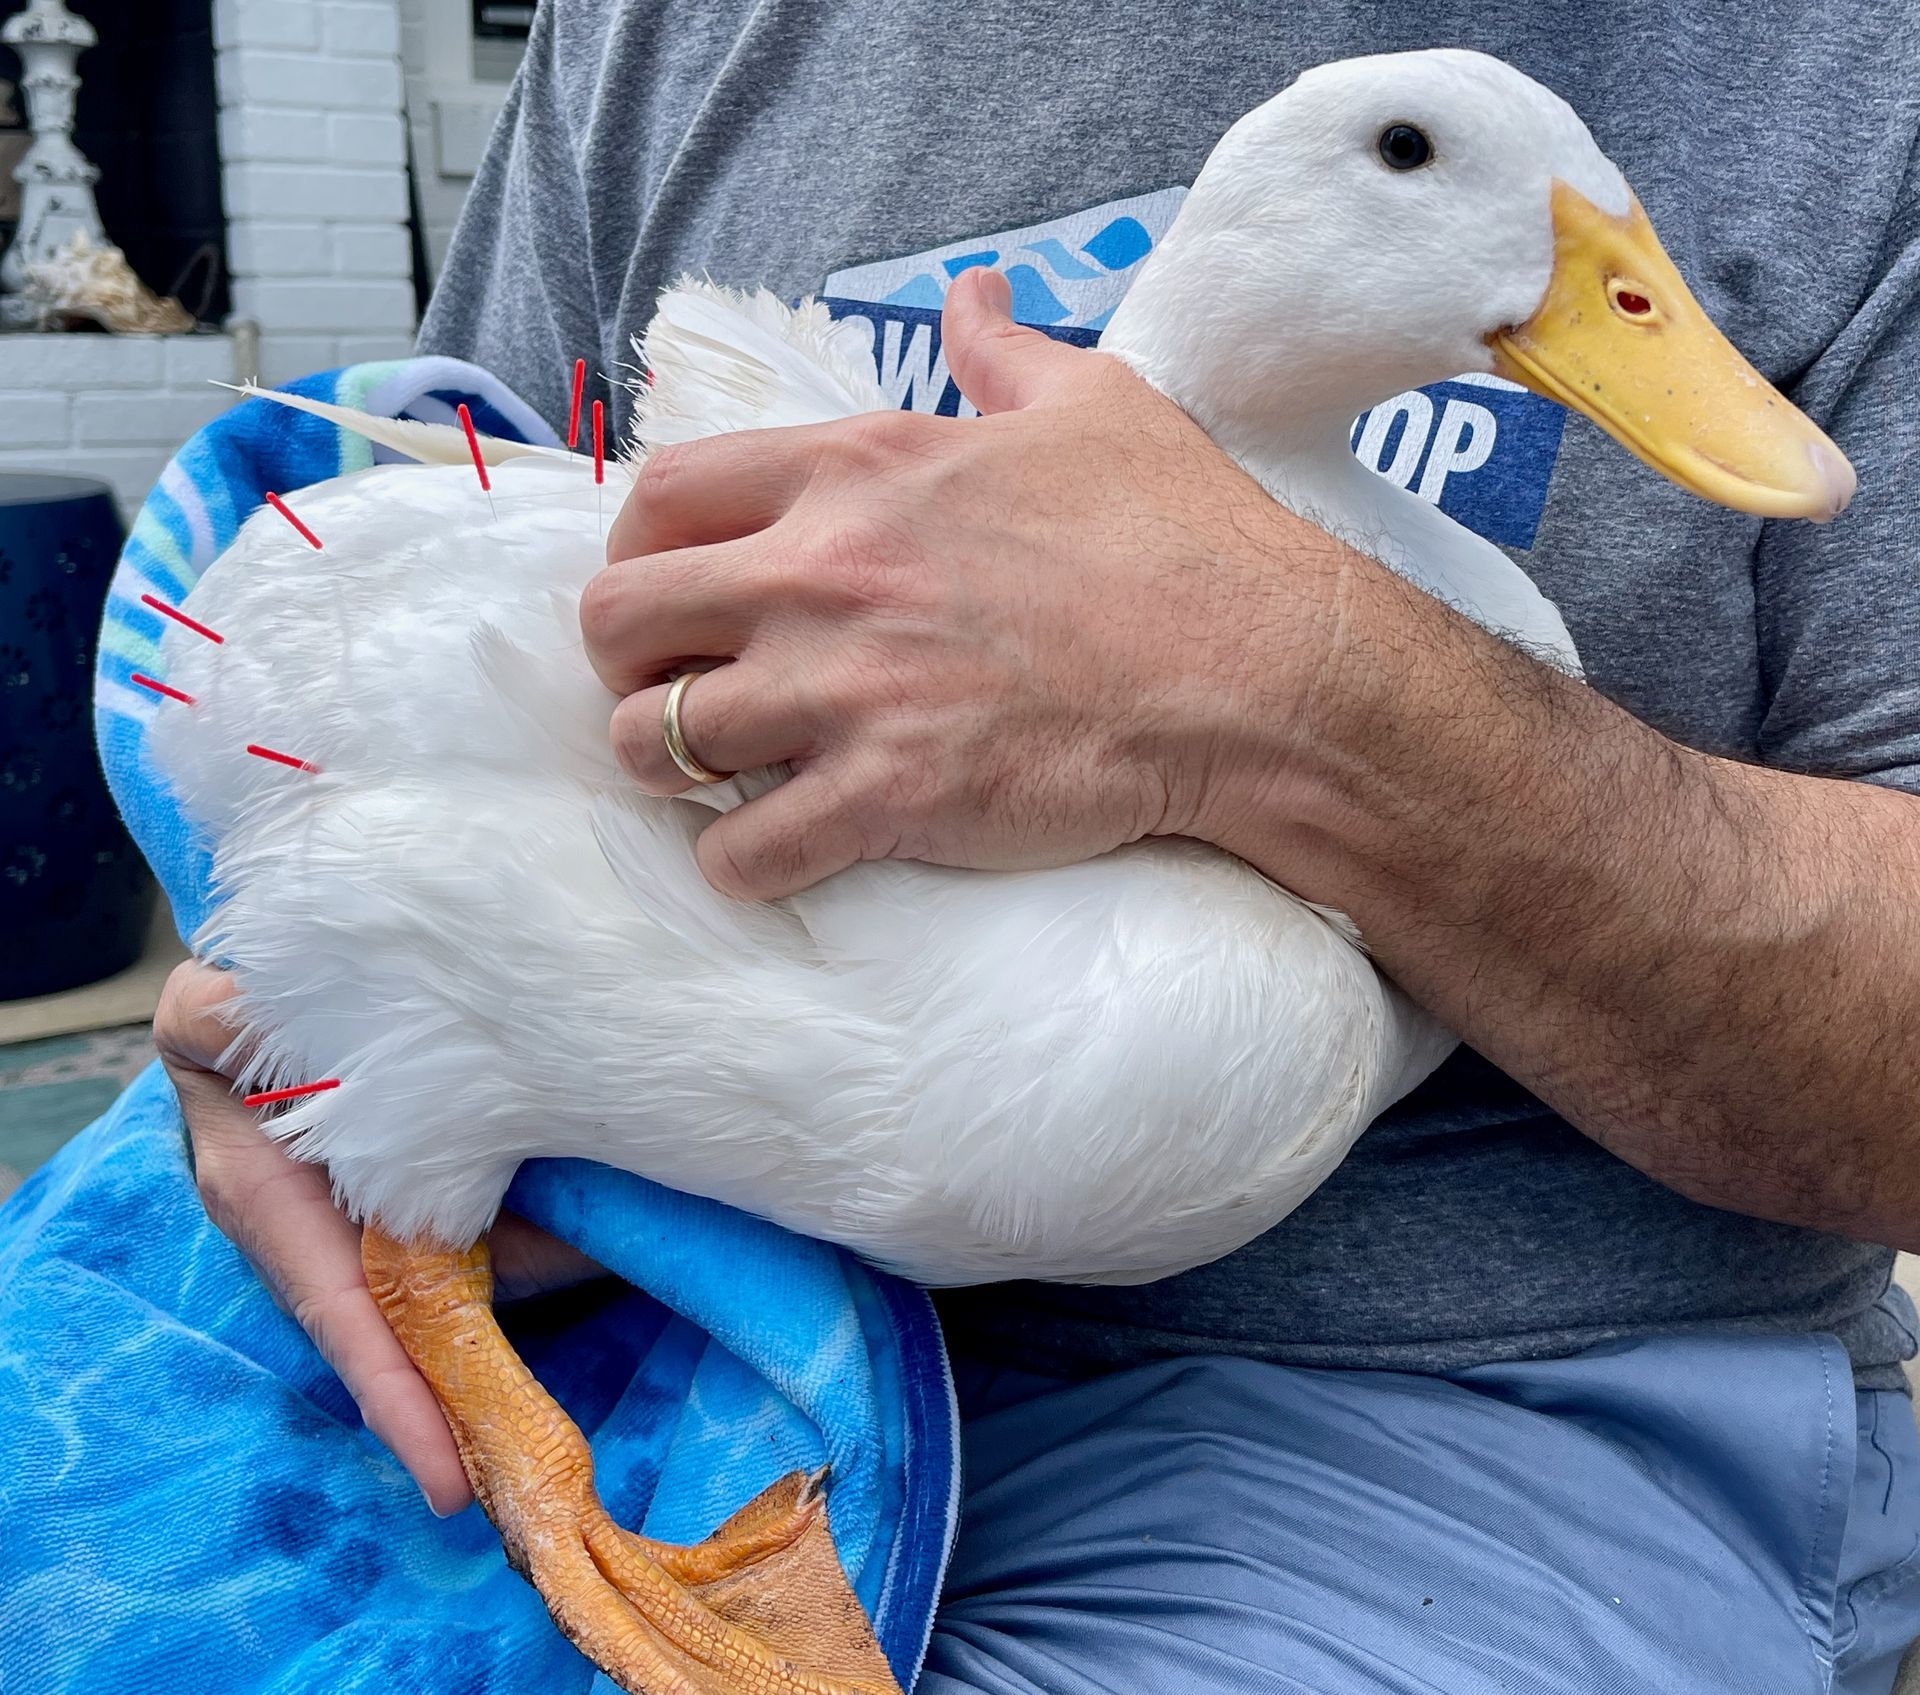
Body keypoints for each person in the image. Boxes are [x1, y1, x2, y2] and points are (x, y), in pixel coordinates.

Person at [156, 4, 1920, 1690]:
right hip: (665, 1322)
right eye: (1412, 154)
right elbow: (440, 530)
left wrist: (1290, 675)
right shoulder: (666, 19)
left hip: (1468, 1428)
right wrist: (270, 1017)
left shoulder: (1849, 66)